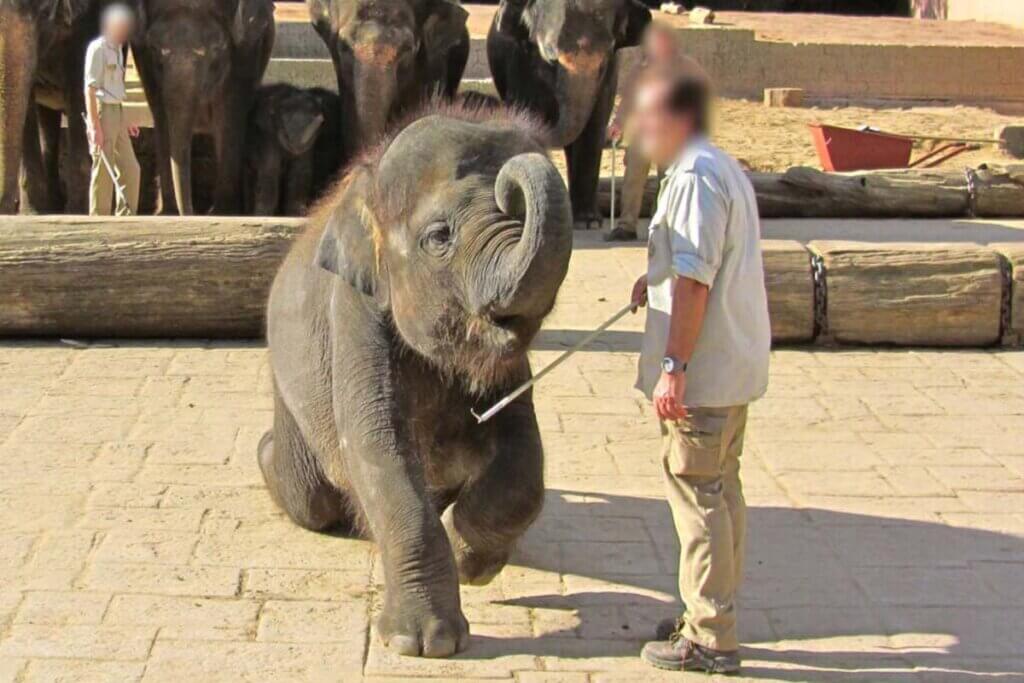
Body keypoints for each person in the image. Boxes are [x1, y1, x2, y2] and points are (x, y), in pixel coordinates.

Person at [628, 65, 771, 675]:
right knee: (722, 487)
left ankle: (710, 636)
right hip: (732, 366)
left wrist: (673, 368)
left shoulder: (691, 179)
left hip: (702, 377)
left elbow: (695, 280)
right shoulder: (719, 165)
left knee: (697, 496)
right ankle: (710, 610)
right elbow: (689, 261)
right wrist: (649, 276)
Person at [605, 23, 682, 242]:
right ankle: (626, 225)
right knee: (632, 180)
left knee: (668, 181)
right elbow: (628, 102)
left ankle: (663, 226)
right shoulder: (640, 70)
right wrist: (617, 124)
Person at [85, 3, 141, 216]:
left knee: (131, 169)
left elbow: (116, 89)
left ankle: (125, 218)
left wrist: (126, 120)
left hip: (117, 110)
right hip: (102, 111)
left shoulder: (118, 49)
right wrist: (94, 125)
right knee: (103, 169)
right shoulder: (97, 49)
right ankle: (98, 219)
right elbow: (89, 90)